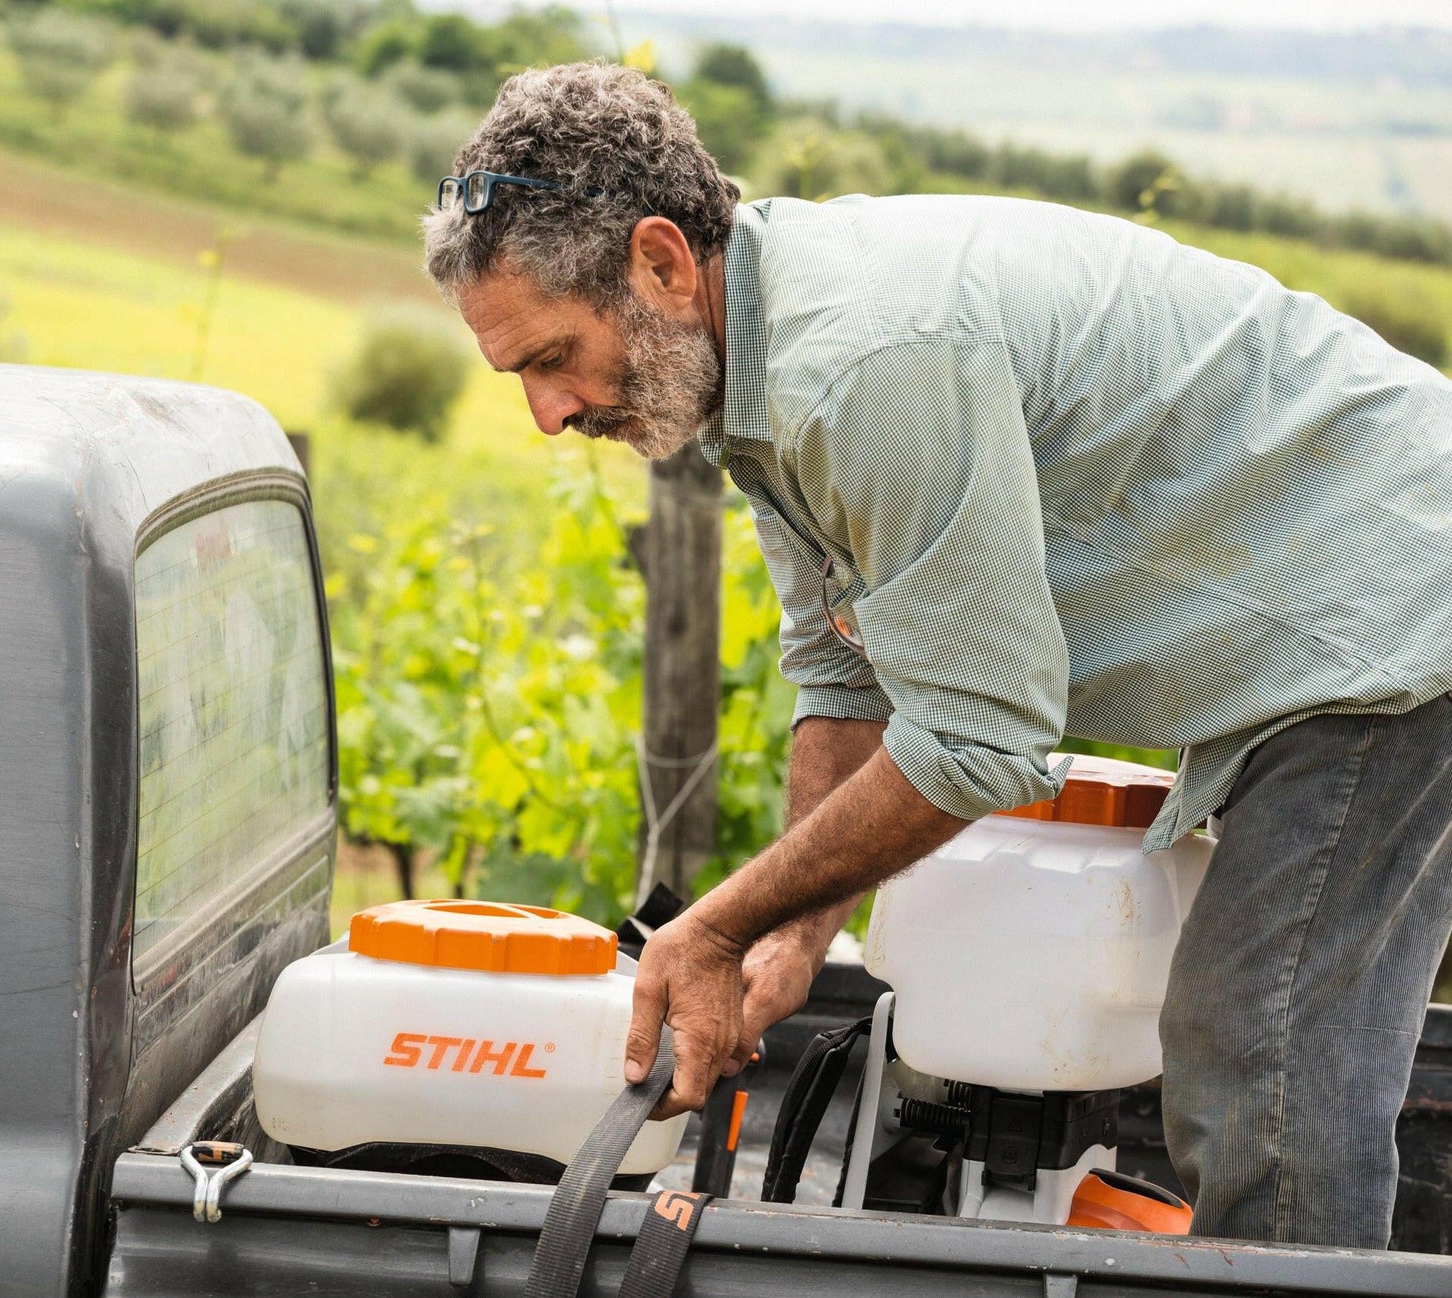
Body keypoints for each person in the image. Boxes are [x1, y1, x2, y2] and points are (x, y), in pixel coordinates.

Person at [422, 61, 1452, 1249]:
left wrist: (709, 926)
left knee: (1256, 1056)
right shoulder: (750, 368)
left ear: (659, 261)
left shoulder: (859, 363)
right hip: (1325, 625)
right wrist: (793, 930)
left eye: (552, 357)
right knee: (1246, 1044)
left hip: (1393, 614)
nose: (547, 413)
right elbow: (844, 673)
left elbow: (976, 737)